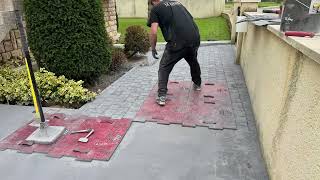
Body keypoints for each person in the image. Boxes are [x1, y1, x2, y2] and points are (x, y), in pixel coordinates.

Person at [148, 0, 202, 106]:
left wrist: (153, 48)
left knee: (164, 67)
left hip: (177, 42)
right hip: (194, 37)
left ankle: (162, 96)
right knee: (192, 60)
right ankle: (198, 83)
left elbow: (153, 31)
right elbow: (190, 19)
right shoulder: (177, 2)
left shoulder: (156, 9)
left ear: (152, 2)